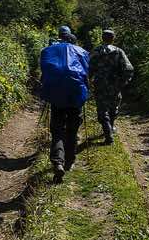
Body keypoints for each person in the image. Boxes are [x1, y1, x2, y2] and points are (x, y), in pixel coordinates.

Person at [40, 26, 90, 183]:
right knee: (72, 129)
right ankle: (70, 160)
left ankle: (58, 162)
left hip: (56, 95)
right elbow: (86, 73)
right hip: (75, 93)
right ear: (72, 38)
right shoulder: (81, 51)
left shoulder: (48, 50)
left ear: (60, 37)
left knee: (57, 130)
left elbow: (45, 72)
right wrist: (86, 91)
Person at [89, 29, 134, 144]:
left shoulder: (96, 51)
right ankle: (110, 129)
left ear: (102, 38)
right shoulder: (119, 52)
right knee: (113, 107)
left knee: (102, 109)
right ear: (113, 39)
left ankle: (108, 133)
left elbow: (89, 67)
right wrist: (123, 82)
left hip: (100, 84)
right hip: (115, 84)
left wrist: (89, 80)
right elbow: (129, 68)